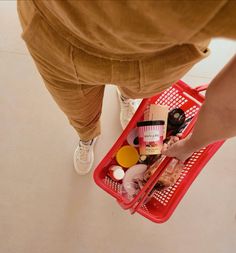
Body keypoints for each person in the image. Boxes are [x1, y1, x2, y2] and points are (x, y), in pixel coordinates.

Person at [17, 0, 236, 175]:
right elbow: (228, 109)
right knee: (79, 111)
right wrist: (190, 146)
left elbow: (229, 108)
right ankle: (88, 136)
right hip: (57, 38)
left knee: (123, 94)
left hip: (158, 58)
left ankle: (124, 97)